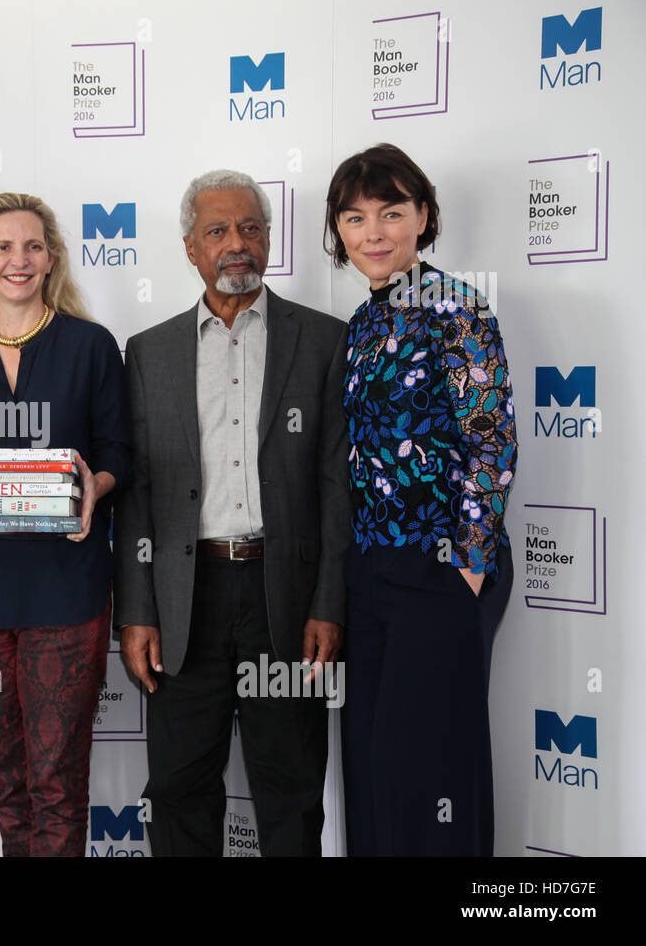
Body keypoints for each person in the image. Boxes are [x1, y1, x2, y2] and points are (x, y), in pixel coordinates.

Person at [113, 170, 349, 856]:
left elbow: (338, 488)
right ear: (190, 247)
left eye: (251, 227)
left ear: (270, 239)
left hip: (286, 600)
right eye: (217, 231)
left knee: (291, 791)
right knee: (180, 791)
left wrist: (329, 603)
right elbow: (137, 497)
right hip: (187, 603)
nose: (236, 244)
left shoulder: (323, 341)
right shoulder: (148, 353)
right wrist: (137, 612)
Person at [0, 192, 130, 856]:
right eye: (4, 246)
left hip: (66, 590)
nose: (20, 259)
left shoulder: (90, 345)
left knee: (57, 785)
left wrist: (92, 489)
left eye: (34, 246)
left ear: (52, 258)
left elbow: (119, 452)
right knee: (10, 786)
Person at [325, 143, 516, 856]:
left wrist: (465, 567)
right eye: (354, 217)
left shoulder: (455, 308)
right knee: (375, 776)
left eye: (391, 212)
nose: (373, 232)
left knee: (432, 778)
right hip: (370, 576)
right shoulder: (362, 327)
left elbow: (492, 441)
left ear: (424, 217)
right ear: (339, 232)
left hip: (440, 572)